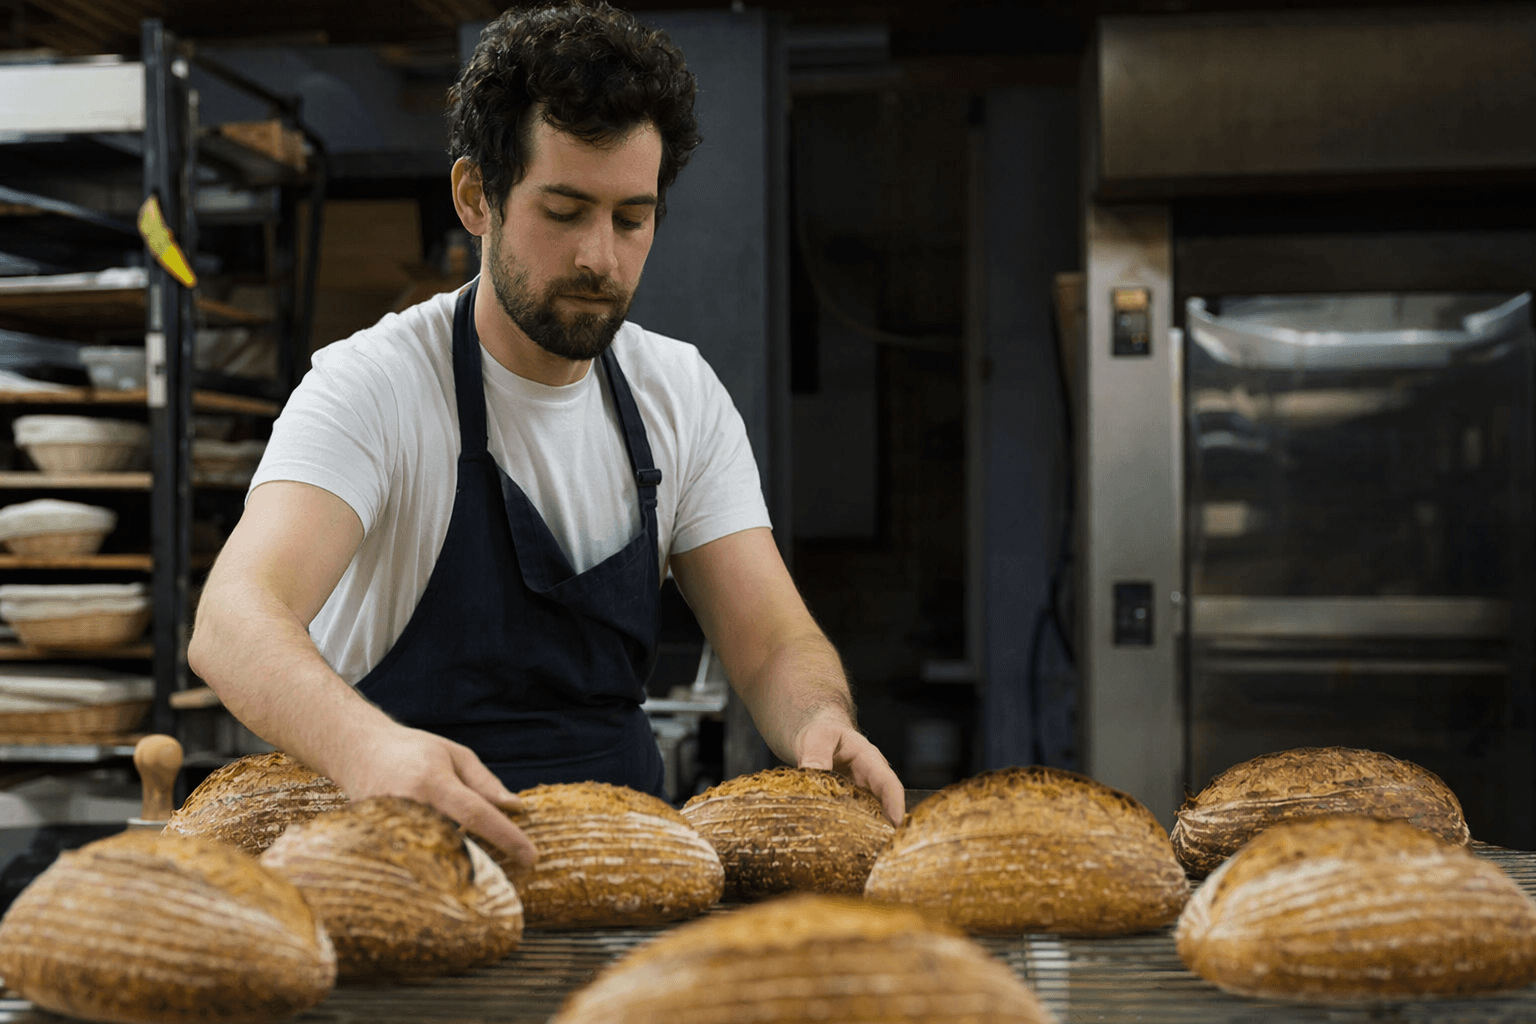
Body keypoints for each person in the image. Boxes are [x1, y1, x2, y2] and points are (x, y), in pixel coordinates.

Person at [187, 0, 903, 870]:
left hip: (622, 879)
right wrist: (369, 750)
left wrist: (821, 719)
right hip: (412, 878)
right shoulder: (373, 387)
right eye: (564, 212)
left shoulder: (678, 394)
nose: (601, 257)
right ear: (475, 197)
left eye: (631, 218)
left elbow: (773, 642)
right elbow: (233, 622)